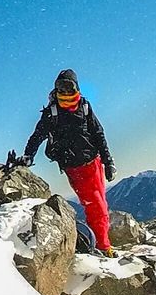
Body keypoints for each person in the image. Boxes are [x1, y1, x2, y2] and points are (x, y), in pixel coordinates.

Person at [18, 68, 117, 255]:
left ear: (77, 88)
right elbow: (37, 136)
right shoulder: (52, 112)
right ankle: (103, 246)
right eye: (60, 88)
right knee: (96, 206)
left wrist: (108, 161)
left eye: (68, 87)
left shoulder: (84, 107)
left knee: (99, 204)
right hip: (75, 168)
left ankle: (100, 241)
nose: (65, 92)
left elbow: (98, 134)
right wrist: (28, 155)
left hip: (93, 163)